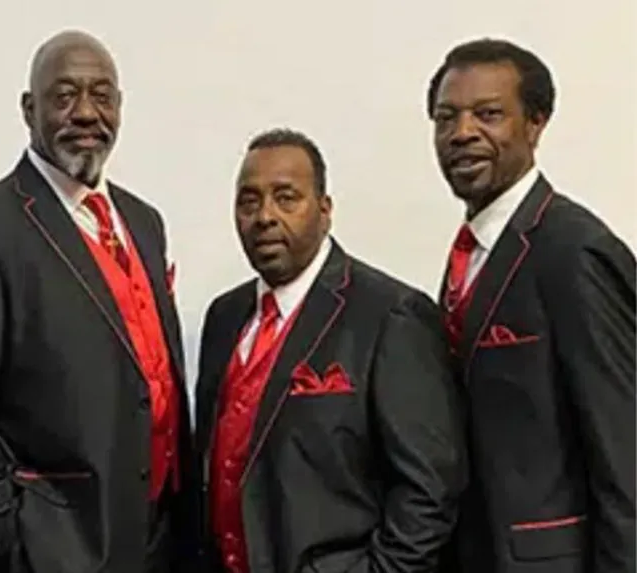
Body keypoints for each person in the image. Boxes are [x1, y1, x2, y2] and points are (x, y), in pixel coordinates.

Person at [0, 30, 193, 573]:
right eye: (64, 95)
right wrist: (12, 535)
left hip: (159, 540)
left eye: (102, 95)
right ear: (28, 108)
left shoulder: (143, 222)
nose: (86, 112)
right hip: (50, 552)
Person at [193, 128, 466, 573]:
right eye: (249, 201)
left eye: (286, 198)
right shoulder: (224, 317)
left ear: (324, 211)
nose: (264, 216)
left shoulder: (391, 316)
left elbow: (430, 491)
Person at [428, 38, 636, 572]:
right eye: (446, 117)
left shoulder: (574, 250)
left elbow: (625, 454)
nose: (463, 133)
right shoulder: (468, 256)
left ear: (536, 124)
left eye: (489, 114)